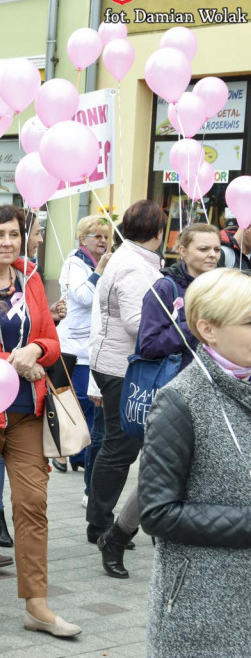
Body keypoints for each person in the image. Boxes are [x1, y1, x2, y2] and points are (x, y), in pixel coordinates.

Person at [0, 204, 80, 637]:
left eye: (14, 234)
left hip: (29, 412)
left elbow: (51, 341)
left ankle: (37, 604)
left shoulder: (30, 277)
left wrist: (36, 350)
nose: (8, 243)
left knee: (32, 504)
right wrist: (9, 362)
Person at [97, 223, 220, 579]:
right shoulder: (164, 289)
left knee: (190, 471)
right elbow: (148, 345)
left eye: (215, 249)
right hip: (175, 393)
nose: (211, 255)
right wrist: (191, 322)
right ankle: (118, 536)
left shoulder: (222, 287)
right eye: (203, 249)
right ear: (181, 250)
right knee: (162, 472)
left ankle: (158, 538)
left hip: (215, 389)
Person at [139, 268, 251, 658]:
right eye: (250, 321)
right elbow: (157, 512)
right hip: (204, 604)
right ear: (208, 328)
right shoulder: (180, 400)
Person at [86, 200, 166, 547]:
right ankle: (101, 524)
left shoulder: (133, 259)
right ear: (159, 233)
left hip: (119, 365)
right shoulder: (135, 266)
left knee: (120, 445)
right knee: (121, 447)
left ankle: (102, 520)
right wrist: (178, 329)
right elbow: (138, 324)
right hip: (122, 368)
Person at [55, 216, 112, 500]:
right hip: (75, 346)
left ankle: (78, 456)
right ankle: (69, 453)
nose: (102, 241)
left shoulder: (109, 262)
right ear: (82, 240)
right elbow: (83, 297)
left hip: (97, 347)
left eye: (106, 236)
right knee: (78, 405)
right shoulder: (74, 263)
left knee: (90, 410)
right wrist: (100, 271)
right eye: (96, 236)